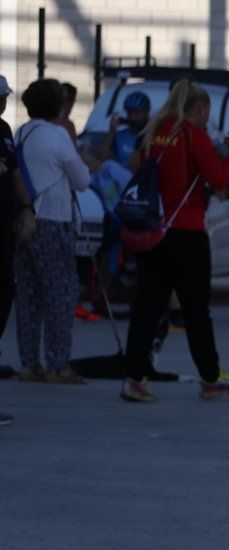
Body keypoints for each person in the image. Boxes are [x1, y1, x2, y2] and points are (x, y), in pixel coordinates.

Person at [120, 79, 229, 403]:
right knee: (196, 311)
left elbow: (139, 167)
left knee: (147, 308)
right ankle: (211, 377)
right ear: (201, 108)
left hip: (155, 232)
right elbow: (218, 180)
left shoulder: (153, 132)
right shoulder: (193, 134)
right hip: (187, 232)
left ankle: (134, 379)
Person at [14, 78, 93, 384]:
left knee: (29, 294)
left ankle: (28, 363)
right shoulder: (58, 136)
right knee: (60, 292)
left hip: (25, 219)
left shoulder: (22, 133)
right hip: (53, 220)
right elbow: (82, 180)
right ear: (58, 105)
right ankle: (58, 364)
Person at [1, 74, 36, 423]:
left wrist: (26, 209)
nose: (3, 102)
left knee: (5, 296)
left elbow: (13, 175)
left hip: (5, 230)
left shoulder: (4, 132)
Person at [97, 90, 151, 167]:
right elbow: (100, 159)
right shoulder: (120, 136)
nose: (132, 117)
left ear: (146, 113)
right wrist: (111, 131)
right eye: (130, 114)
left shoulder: (153, 136)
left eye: (137, 114)